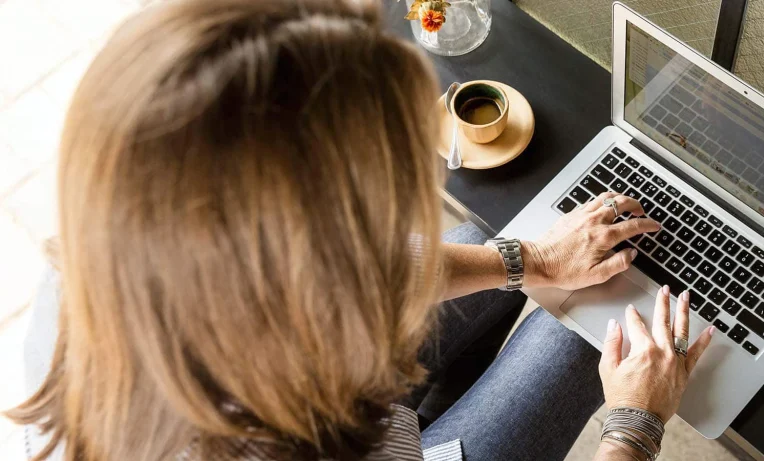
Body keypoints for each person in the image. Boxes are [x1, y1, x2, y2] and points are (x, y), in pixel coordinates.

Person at [6, 0, 715, 460]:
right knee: (583, 334)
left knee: (556, 264)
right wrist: (633, 428)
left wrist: (531, 259)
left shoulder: (108, 244)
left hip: (345, 412)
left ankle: (452, 388)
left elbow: (361, 264)